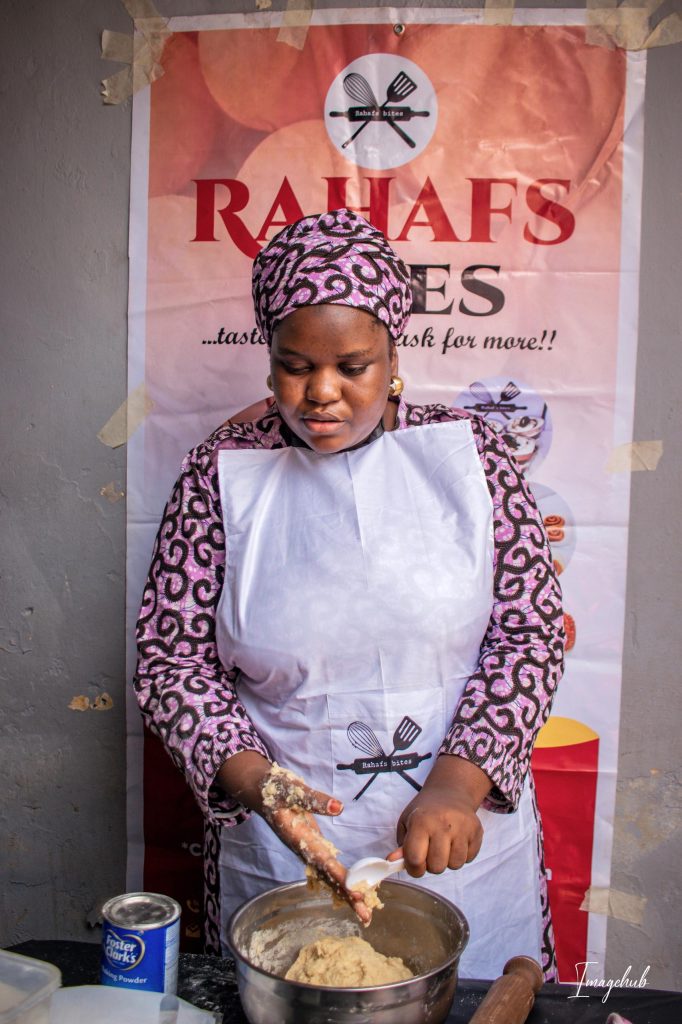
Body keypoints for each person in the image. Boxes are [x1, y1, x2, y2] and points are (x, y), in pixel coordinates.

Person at [134, 208, 564, 981]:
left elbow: (528, 637)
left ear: (393, 356)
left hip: (459, 839)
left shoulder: (473, 461)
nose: (321, 394)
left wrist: (456, 786)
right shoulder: (219, 476)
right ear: (269, 361)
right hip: (282, 846)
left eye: (353, 367)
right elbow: (174, 663)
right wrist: (258, 783)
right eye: (295, 366)